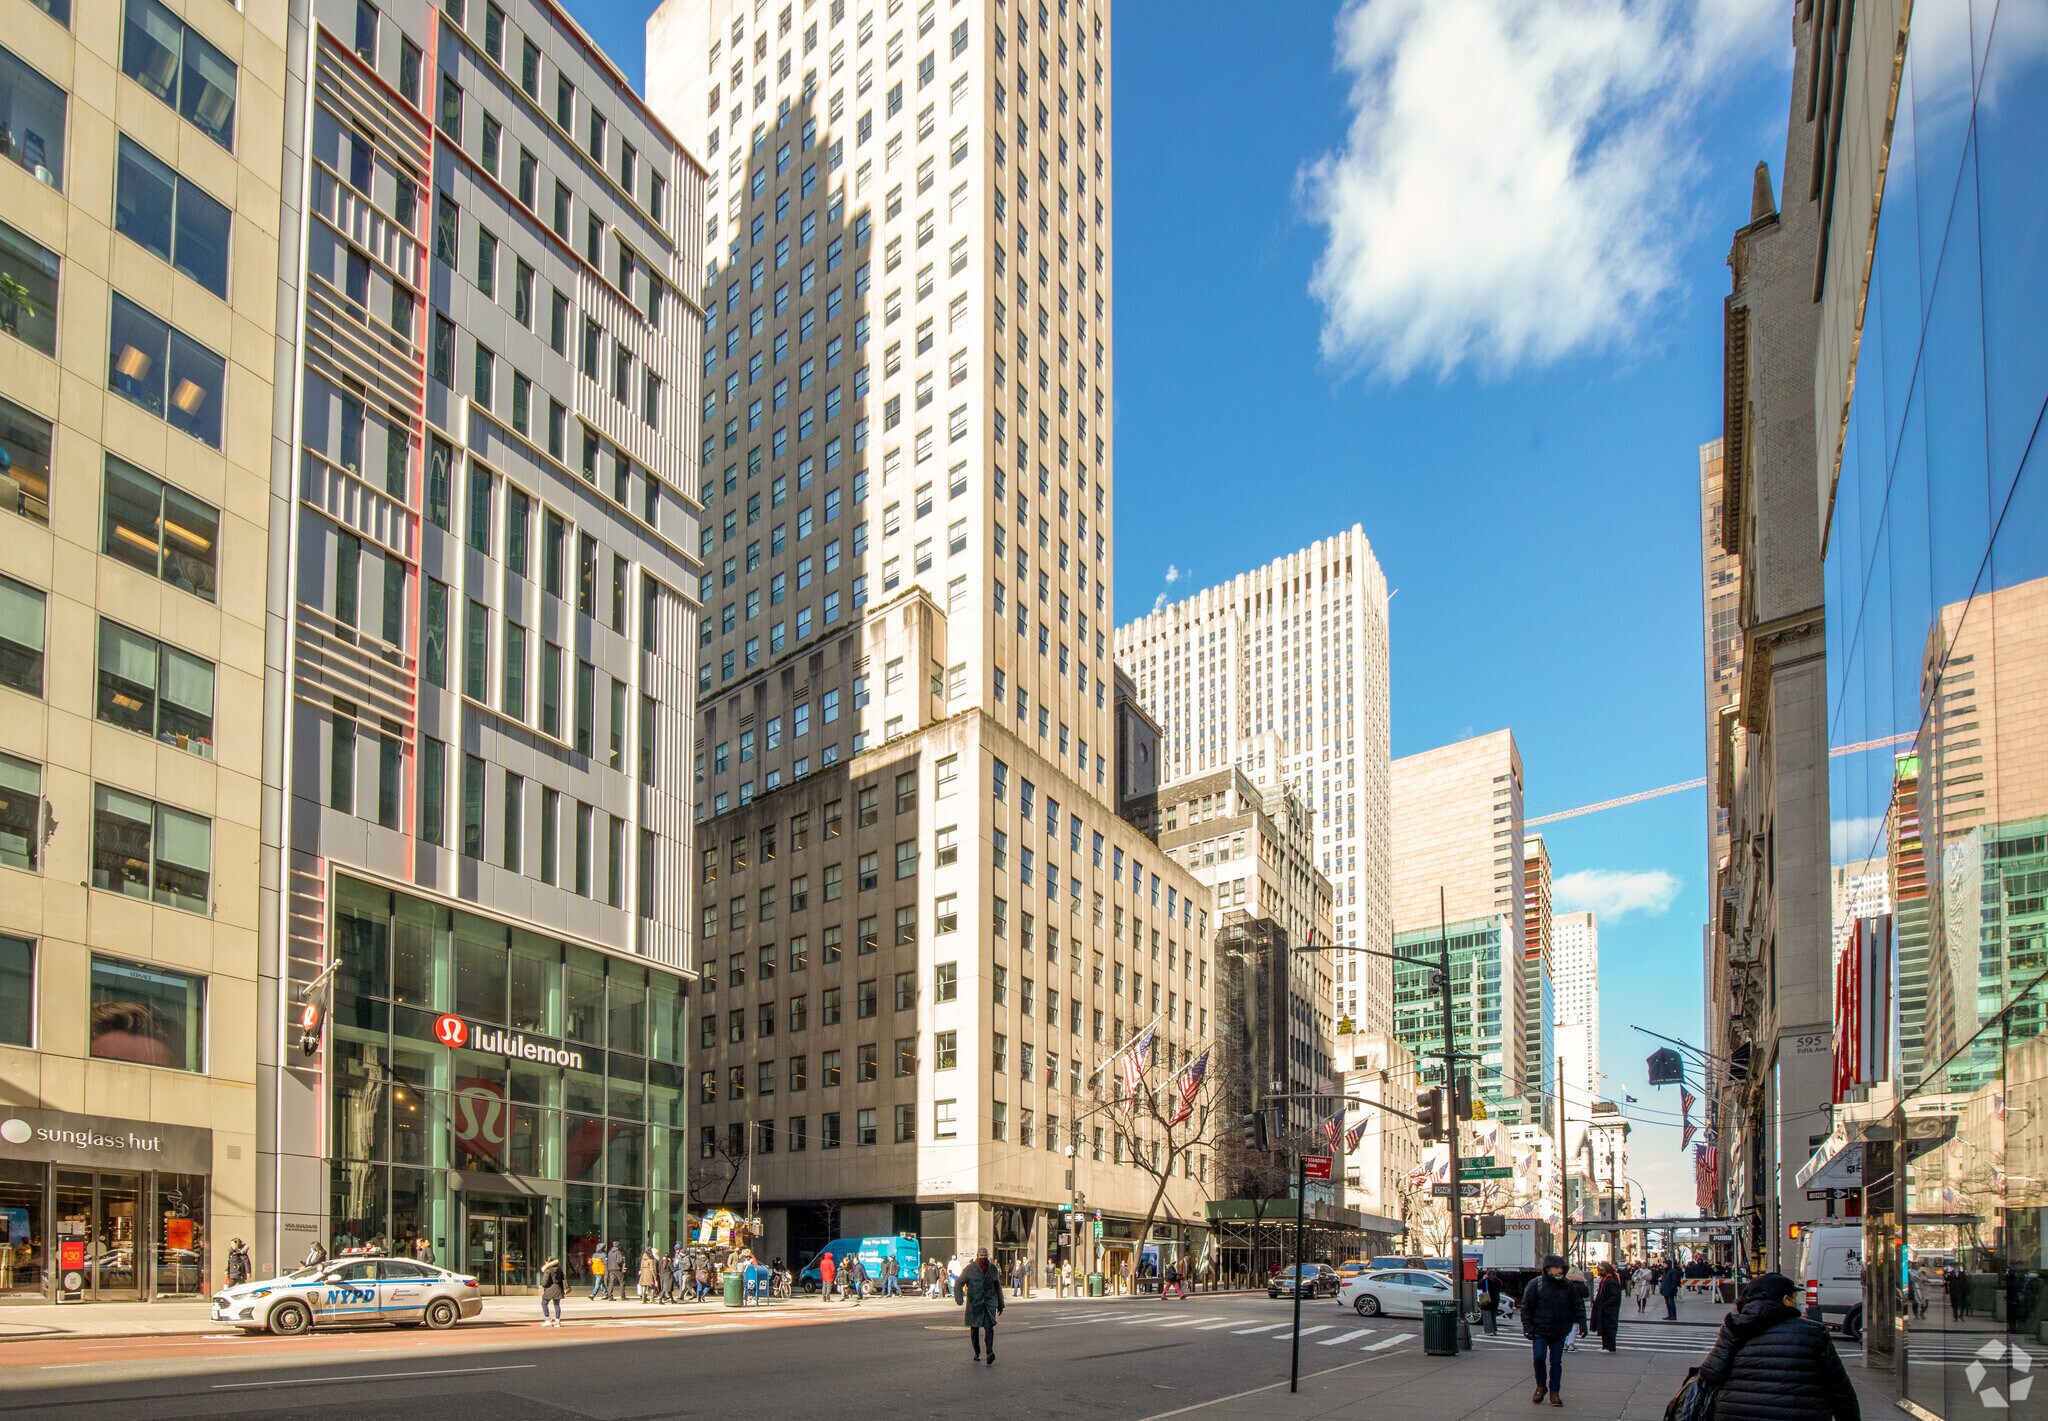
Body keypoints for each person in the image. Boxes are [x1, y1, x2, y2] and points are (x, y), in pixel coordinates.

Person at [1695, 1272, 1860, 1421]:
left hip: (1734, 1412)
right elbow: (1839, 1389)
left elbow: (1711, 1374)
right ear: (1786, 1299)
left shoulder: (1734, 1327)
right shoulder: (1813, 1332)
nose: (1797, 1302)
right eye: (1794, 1296)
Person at [1522, 1254, 1587, 1407]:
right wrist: (1527, 1326)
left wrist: (1582, 1323)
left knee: (1556, 1362)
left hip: (1559, 1330)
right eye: (1556, 1267)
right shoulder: (1536, 1284)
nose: (1559, 1270)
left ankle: (1554, 1392)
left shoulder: (1567, 1285)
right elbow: (1526, 1307)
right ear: (1547, 1269)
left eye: (1561, 1268)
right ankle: (1541, 1386)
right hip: (1540, 1329)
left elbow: (1577, 1305)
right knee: (1539, 1358)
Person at [956, 1246, 1006, 1364]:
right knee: (975, 1329)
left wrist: (1000, 1303)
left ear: (988, 1255)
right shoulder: (970, 1269)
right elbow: (959, 1283)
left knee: (989, 1327)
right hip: (975, 1303)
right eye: (981, 1255)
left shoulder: (992, 1268)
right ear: (977, 1256)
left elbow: (997, 1286)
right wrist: (959, 1298)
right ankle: (977, 1352)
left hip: (989, 1303)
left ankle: (989, 1352)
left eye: (985, 1255)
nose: (983, 1257)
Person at [1592, 1261, 1622, 1352]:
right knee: (1604, 1327)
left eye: (1600, 1270)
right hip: (1606, 1308)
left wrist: (1606, 1305)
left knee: (1609, 1327)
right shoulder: (1606, 1279)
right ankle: (1605, 1346)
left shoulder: (1610, 1280)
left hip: (1609, 1309)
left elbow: (1615, 1296)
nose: (1598, 1272)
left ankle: (1609, 1346)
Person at [539, 1254, 566, 1327]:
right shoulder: (559, 1269)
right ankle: (557, 1321)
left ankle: (548, 1319)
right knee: (557, 1305)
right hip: (558, 1288)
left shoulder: (548, 1270)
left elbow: (545, 1281)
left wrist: (544, 1286)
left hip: (550, 1288)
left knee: (544, 1303)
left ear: (547, 1262)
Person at [1476, 1268, 1503, 1336]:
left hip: (1487, 1299)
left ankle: (1489, 1330)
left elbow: (1478, 1286)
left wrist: (1483, 1278)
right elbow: (1500, 1288)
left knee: (1487, 1315)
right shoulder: (1498, 1281)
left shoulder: (1485, 1280)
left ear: (1487, 1274)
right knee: (1493, 1315)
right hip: (1496, 1299)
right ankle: (1494, 1330)